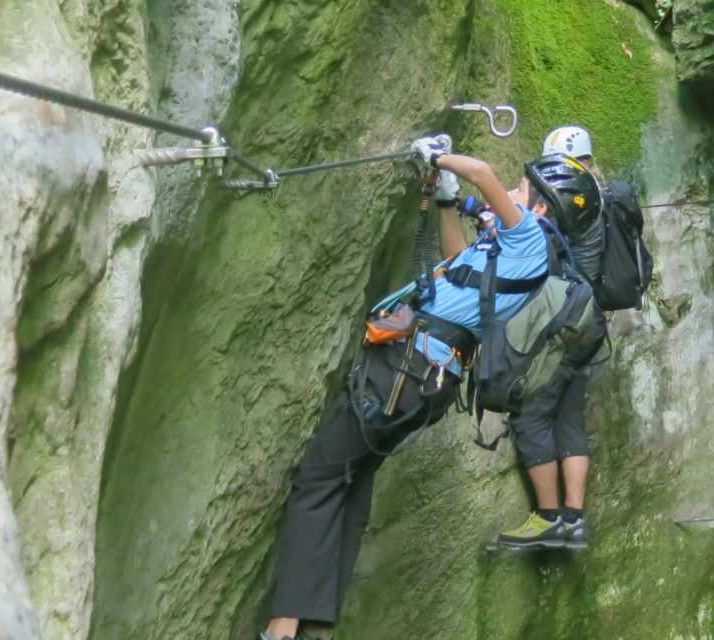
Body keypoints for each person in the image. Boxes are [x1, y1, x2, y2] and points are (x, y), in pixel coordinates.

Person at [260, 134, 594, 640]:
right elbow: (457, 262)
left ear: (542, 203)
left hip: (406, 369)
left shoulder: (529, 237)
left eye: (521, 187)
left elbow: (481, 171)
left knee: (318, 480)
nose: (510, 189)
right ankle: (316, 626)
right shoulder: (518, 253)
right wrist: (444, 197)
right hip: (425, 381)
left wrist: (435, 155)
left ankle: (282, 631)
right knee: (352, 482)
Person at [492, 125, 617, 550]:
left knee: (530, 412)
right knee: (569, 416)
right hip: (589, 321)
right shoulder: (597, 195)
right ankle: (575, 521)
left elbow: (523, 213)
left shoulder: (571, 200)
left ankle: (547, 518)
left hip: (560, 322)